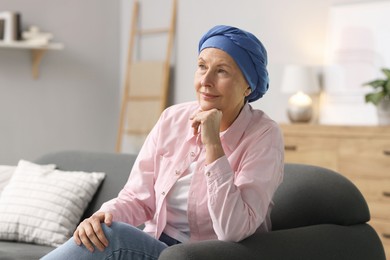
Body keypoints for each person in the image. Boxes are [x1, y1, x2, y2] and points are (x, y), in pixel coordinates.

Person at [42, 25, 284, 260]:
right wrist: (103, 216)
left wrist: (213, 145)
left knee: (113, 238)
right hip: (160, 246)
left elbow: (233, 230)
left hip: (211, 254)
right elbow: (138, 197)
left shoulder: (264, 135)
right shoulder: (173, 118)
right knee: (100, 233)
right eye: (201, 67)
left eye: (222, 71)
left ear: (248, 86)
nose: (206, 81)